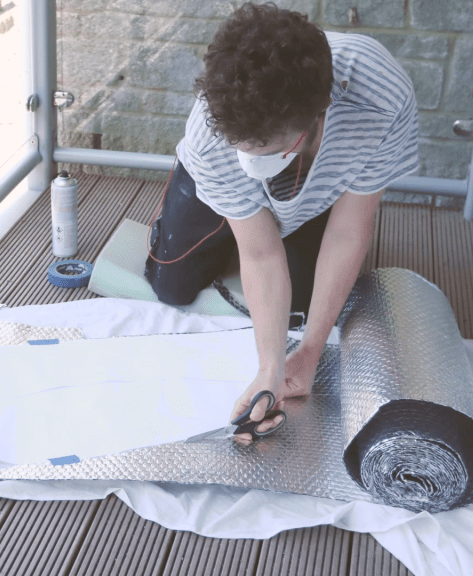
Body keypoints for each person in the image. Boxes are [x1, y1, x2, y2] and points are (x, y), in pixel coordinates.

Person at [144, 2, 418, 443]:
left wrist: (307, 353)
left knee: (305, 309)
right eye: (244, 147)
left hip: (320, 189)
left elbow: (349, 232)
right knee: (172, 285)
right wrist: (269, 366)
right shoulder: (212, 133)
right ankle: (219, 220)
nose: (251, 158)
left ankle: (284, 214)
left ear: (319, 113)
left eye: (265, 150)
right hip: (214, 180)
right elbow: (260, 251)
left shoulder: (381, 99)